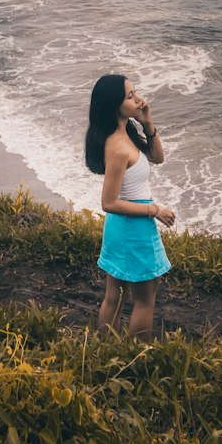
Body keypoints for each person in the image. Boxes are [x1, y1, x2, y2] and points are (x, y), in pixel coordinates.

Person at [85, 73, 175, 338]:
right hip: (132, 226)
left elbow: (157, 158)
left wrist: (148, 124)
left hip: (126, 226)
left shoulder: (127, 134)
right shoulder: (118, 147)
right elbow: (108, 202)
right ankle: (137, 357)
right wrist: (155, 210)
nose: (138, 99)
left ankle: (107, 350)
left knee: (116, 295)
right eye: (130, 96)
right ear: (115, 104)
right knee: (144, 298)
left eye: (135, 92)